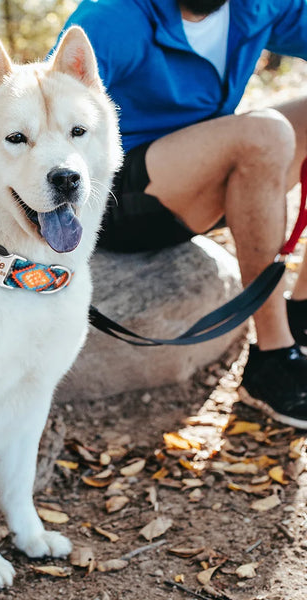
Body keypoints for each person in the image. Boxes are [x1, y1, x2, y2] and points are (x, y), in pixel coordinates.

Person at [57, 0, 307, 428]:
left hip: (206, 180)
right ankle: (272, 357)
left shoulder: (257, 6)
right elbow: (47, 117)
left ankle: (302, 313)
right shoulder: (111, 18)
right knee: (266, 133)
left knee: (276, 129)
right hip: (123, 196)